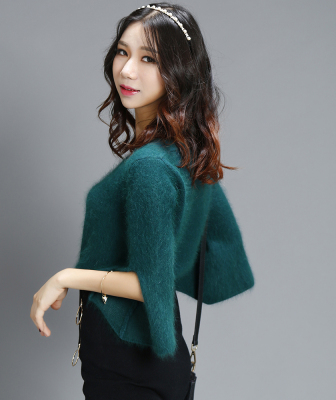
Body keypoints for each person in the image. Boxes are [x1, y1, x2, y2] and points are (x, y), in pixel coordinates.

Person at [30, 3, 255, 399]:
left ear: (179, 71)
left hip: (130, 368)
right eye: (123, 52)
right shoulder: (181, 154)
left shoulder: (150, 167)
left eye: (149, 58)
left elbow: (151, 285)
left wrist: (65, 277)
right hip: (146, 361)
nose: (128, 70)